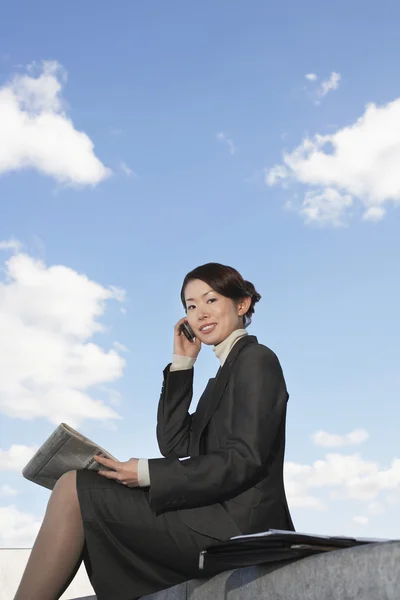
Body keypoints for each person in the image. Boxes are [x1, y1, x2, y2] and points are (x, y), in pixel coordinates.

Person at [13, 262, 294, 600]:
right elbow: (174, 443)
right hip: (214, 521)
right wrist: (182, 364)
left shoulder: (256, 359)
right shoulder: (222, 375)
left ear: (242, 304)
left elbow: (244, 459)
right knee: (73, 485)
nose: (200, 313)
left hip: (238, 530)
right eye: (191, 306)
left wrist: (145, 473)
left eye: (210, 300)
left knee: (75, 487)